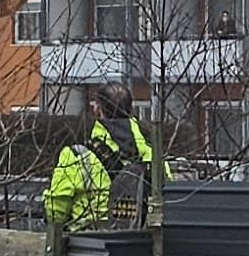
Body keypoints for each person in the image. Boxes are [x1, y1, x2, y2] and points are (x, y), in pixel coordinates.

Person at [45, 84, 163, 230]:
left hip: (86, 244)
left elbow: (56, 209)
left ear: (97, 110)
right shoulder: (153, 156)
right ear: (130, 110)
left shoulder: (78, 155)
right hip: (139, 243)